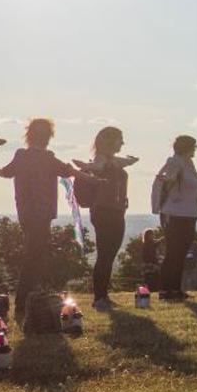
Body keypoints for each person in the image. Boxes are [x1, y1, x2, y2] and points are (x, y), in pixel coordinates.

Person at [0, 119, 87, 319]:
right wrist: (92, 177)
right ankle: (24, 301)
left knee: (35, 256)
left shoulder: (22, 156)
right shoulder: (47, 158)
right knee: (35, 257)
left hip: (27, 214)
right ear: (47, 137)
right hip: (41, 214)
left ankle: (28, 299)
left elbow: (6, 172)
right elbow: (69, 171)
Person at [72, 126, 138, 310]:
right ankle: (99, 297)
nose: (122, 143)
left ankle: (103, 296)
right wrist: (84, 167)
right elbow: (97, 166)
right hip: (104, 211)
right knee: (105, 254)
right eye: (120, 139)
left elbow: (123, 162)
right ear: (109, 140)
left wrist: (131, 160)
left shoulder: (112, 160)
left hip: (116, 210)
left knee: (109, 255)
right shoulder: (101, 159)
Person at [151, 135, 197, 302]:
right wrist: (169, 179)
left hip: (189, 213)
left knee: (181, 252)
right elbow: (164, 179)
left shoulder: (189, 164)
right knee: (173, 252)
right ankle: (166, 289)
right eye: (194, 146)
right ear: (187, 147)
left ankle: (175, 288)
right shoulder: (174, 162)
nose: (196, 148)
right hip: (174, 213)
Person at [136, 228, 162, 293]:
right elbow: (156, 244)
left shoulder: (147, 243)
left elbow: (157, 242)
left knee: (150, 277)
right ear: (148, 236)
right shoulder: (149, 244)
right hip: (150, 263)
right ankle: (151, 289)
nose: (153, 236)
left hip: (149, 263)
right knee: (151, 276)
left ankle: (151, 289)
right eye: (151, 234)